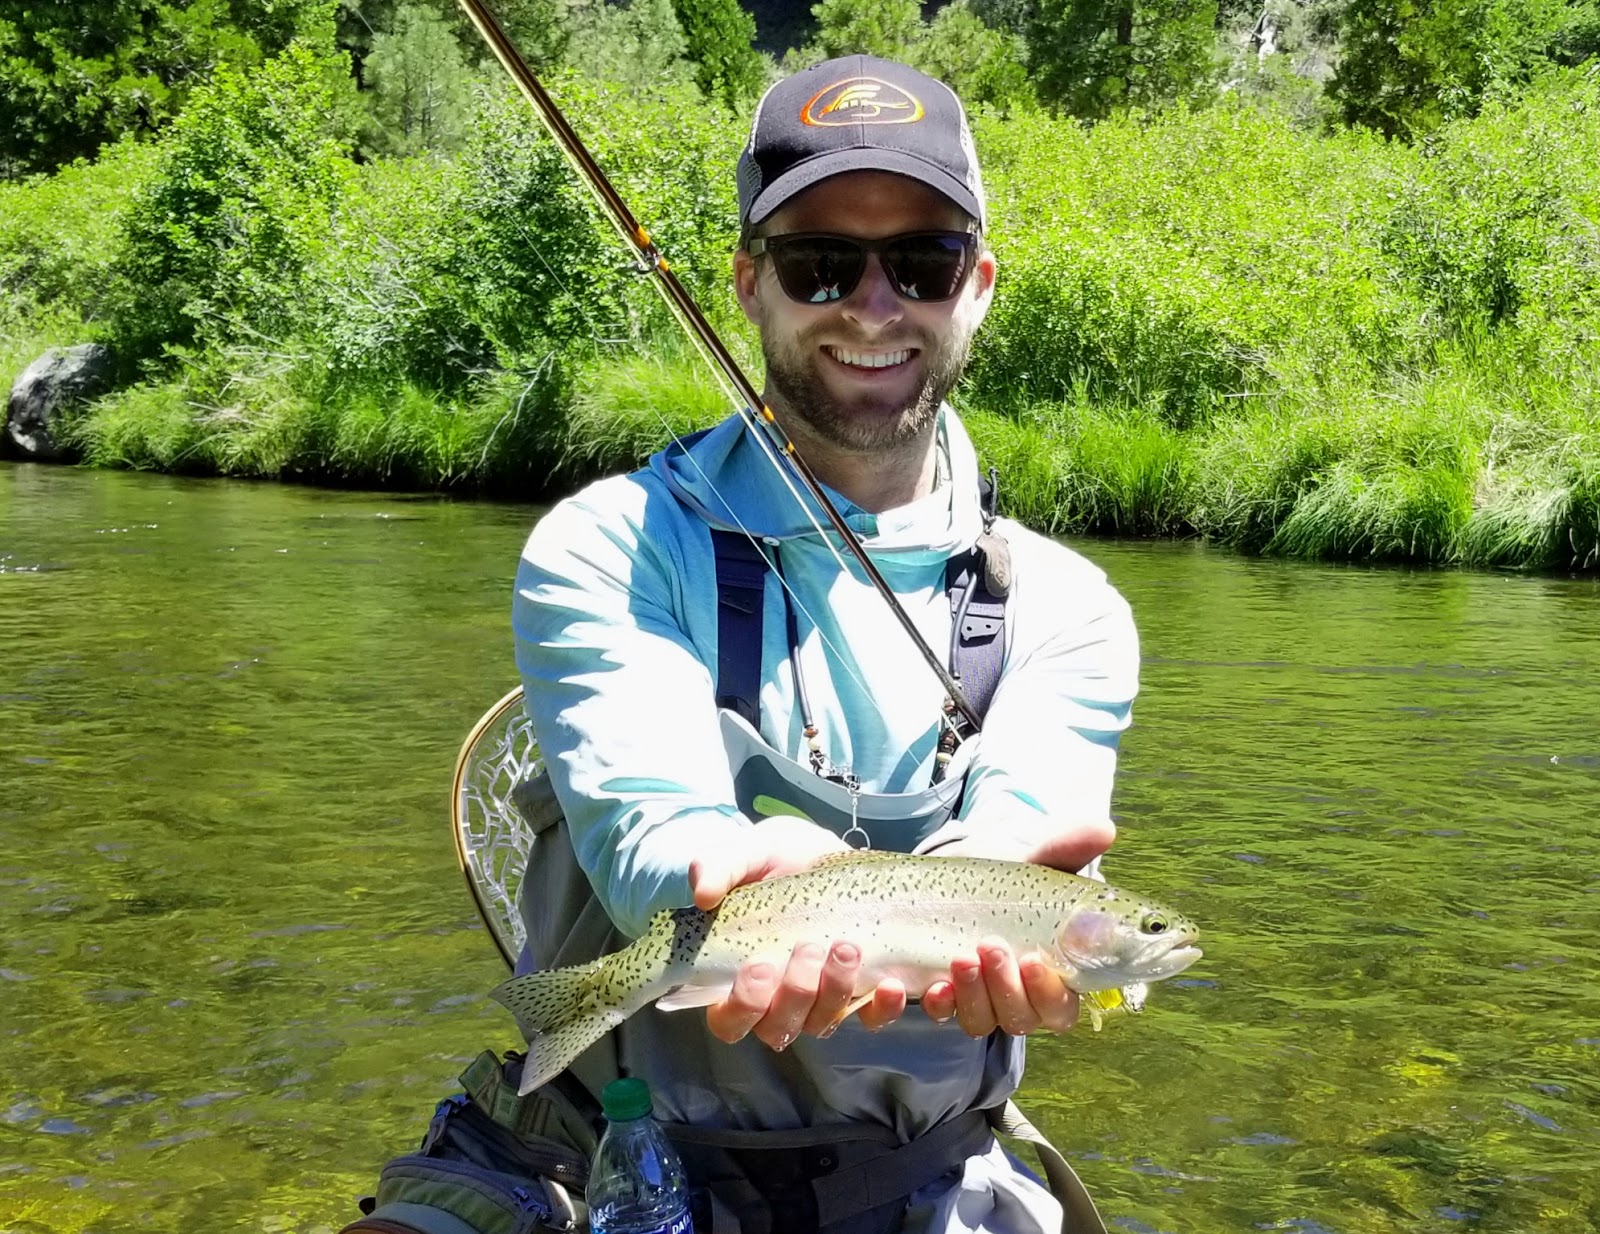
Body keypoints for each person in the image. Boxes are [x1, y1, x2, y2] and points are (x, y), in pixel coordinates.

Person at [345, 53, 1138, 1234]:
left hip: (930, 1178)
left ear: (973, 285)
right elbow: (652, 827)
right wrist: (743, 867)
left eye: (916, 262)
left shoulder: (1070, 608)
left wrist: (1013, 903)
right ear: (748, 283)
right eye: (821, 263)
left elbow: (1024, 821)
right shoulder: (611, 545)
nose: (871, 307)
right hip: (600, 1152)